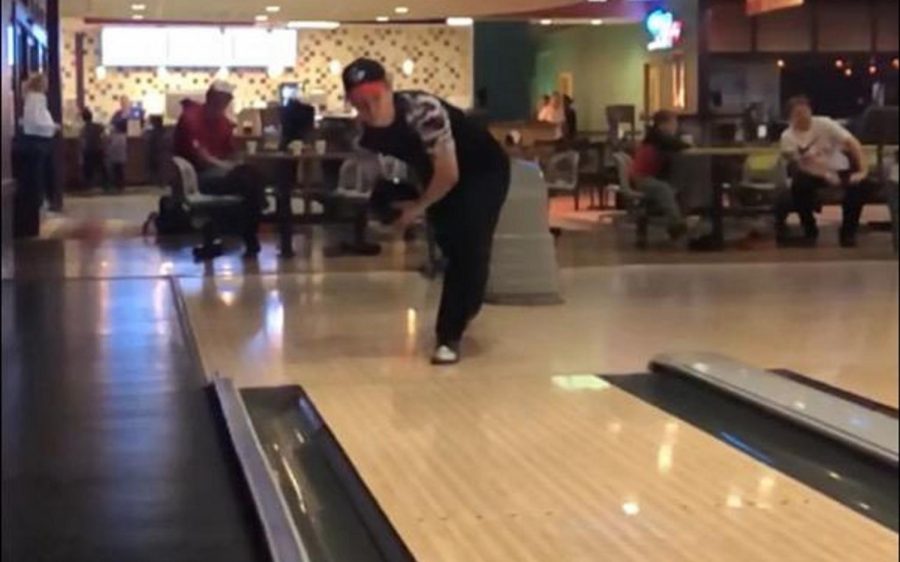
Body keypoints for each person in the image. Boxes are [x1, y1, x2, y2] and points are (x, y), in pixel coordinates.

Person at [342, 58, 510, 365]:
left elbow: (449, 173)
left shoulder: (422, 110)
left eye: (376, 99)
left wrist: (416, 209)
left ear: (390, 89)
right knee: (451, 247)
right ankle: (468, 303)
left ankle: (448, 336)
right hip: (434, 174)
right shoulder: (362, 133)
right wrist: (387, 212)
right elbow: (369, 178)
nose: (371, 110)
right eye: (361, 104)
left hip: (483, 170)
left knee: (470, 247)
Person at [173, 80, 265, 256]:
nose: (225, 104)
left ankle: (245, 235)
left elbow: (230, 152)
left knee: (251, 180)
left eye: (227, 100)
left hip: (217, 174)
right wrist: (230, 168)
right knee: (250, 184)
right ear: (211, 98)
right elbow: (202, 158)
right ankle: (248, 235)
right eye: (222, 100)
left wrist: (237, 164)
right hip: (197, 177)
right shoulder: (191, 118)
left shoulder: (223, 122)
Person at [777, 96, 874, 248]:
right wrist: (825, 175)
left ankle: (848, 232)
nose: (803, 116)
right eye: (797, 114)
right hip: (812, 173)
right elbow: (799, 165)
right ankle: (810, 230)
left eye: (805, 111)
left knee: (861, 186)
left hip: (839, 168)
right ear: (790, 117)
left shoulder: (825, 123)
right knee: (799, 187)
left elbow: (853, 144)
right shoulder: (787, 137)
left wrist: (863, 170)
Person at [630, 110, 690, 239]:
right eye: (673, 123)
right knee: (664, 189)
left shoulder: (655, 136)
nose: (675, 127)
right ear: (663, 125)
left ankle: (679, 221)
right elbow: (678, 145)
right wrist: (689, 145)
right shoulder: (657, 136)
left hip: (647, 176)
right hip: (643, 178)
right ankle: (676, 224)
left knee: (676, 185)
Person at [20, 73, 61, 213]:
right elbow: (37, 120)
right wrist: (52, 127)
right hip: (40, 140)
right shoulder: (37, 99)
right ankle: (42, 204)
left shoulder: (30, 99)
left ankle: (42, 203)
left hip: (34, 140)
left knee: (39, 174)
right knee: (42, 174)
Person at [80, 108, 109, 190]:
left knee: (88, 169)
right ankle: (106, 184)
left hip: (88, 150)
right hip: (98, 149)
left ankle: (88, 185)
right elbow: (106, 134)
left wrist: (82, 150)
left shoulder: (84, 128)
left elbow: (82, 140)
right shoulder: (98, 126)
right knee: (102, 168)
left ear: (83, 118)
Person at [107, 118, 128, 192]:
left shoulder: (114, 135)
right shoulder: (124, 136)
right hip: (121, 156)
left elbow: (110, 144)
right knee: (120, 171)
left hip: (114, 156)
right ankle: (120, 186)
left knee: (115, 171)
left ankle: (116, 185)